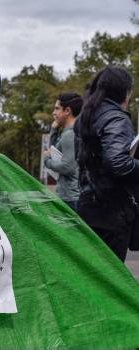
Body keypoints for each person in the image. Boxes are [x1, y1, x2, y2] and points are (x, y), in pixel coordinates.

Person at [74, 66, 137, 261]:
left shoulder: (85, 117)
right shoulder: (116, 117)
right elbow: (117, 162)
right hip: (112, 209)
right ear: (125, 92)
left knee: (93, 274)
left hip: (87, 204)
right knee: (112, 277)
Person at [43, 93, 83, 211]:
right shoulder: (73, 132)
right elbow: (54, 150)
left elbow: (67, 167)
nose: (53, 113)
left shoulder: (70, 134)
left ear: (67, 111)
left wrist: (47, 161)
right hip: (72, 195)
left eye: (57, 109)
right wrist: (54, 130)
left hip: (71, 198)